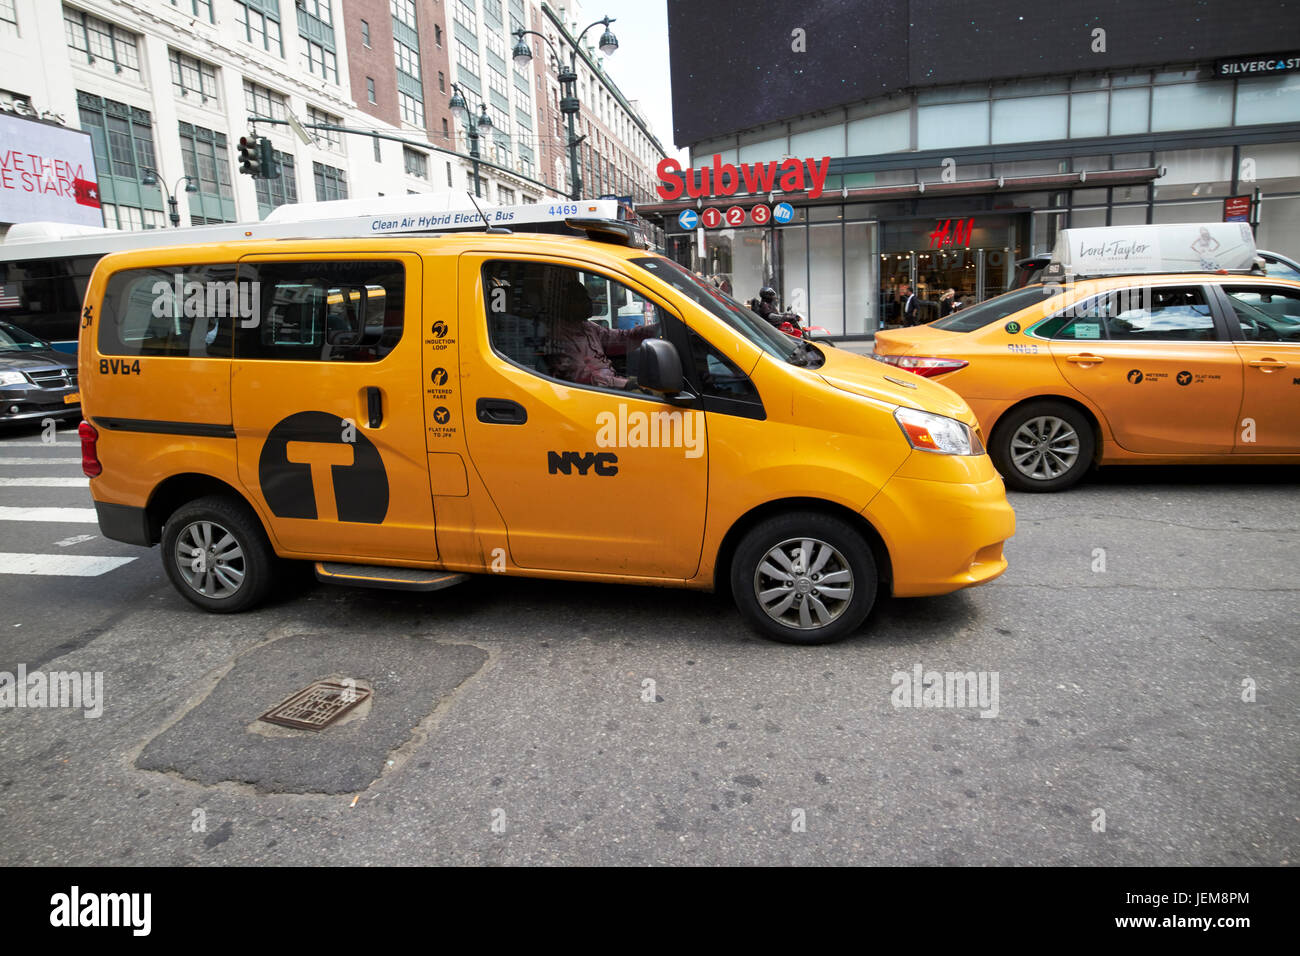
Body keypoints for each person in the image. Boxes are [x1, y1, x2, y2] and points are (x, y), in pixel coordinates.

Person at [547, 280, 658, 390]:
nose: (589, 302)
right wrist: (625, 384)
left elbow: (621, 338)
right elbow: (583, 376)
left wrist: (654, 329)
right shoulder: (560, 335)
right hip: (595, 393)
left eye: (587, 297)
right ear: (568, 305)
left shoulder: (588, 327)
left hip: (609, 385)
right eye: (581, 299)